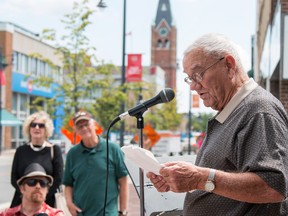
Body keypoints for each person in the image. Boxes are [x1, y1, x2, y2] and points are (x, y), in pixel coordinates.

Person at [147, 33, 288, 215]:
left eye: (198, 74)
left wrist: (199, 178)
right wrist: (181, 179)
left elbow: (272, 186)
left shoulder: (258, 109)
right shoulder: (233, 110)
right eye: (189, 78)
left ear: (229, 65)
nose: (193, 86)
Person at [62, 111, 129, 216]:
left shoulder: (112, 149)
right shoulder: (72, 154)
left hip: (108, 213)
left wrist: (123, 211)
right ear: (75, 130)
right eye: (80, 126)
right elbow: (68, 184)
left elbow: (123, 180)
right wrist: (69, 204)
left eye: (86, 124)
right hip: (81, 213)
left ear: (94, 125)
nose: (84, 128)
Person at [11, 111, 64, 208]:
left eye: (41, 125)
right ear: (29, 128)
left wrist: (42, 196)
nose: (37, 128)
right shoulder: (20, 151)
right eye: (33, 125)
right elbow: (14, 178)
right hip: (22, 201)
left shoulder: (54, 150)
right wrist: (27, 195)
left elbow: (58, 178)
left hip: (47, 202)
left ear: (46, 129)